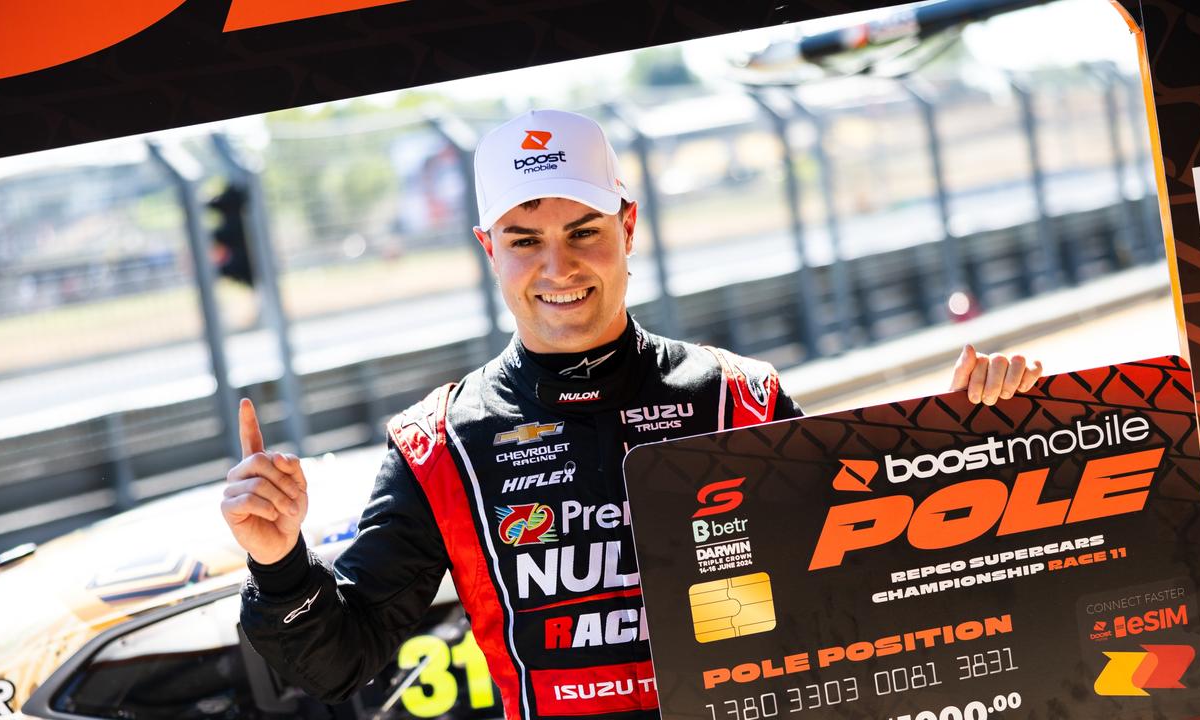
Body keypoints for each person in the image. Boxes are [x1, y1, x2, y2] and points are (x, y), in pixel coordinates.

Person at [223, 109, 1042, 720]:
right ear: (489, 249)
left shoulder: (740, 398)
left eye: (583, 230)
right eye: (524, 239)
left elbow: (881, 580)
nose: (558, 266)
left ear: (628, 226)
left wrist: (979, 435)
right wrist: (279, 563)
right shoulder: (439, 444)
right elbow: (339, 662)